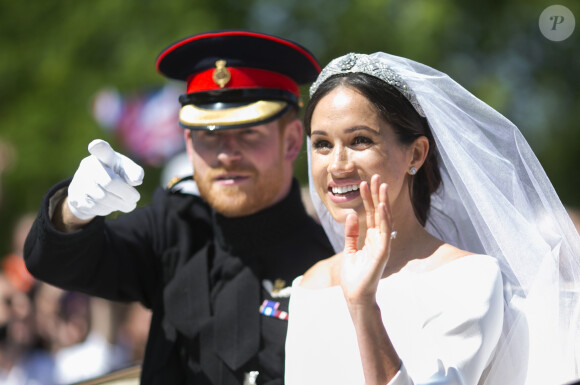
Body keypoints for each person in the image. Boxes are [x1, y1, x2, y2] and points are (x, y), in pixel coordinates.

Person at [24, 30, 334, 385]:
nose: (225, 154)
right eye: (209, 134)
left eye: (249, 133)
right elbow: (55, 263)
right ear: (188, 141)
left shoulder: (328, 258)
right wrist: (73, 212)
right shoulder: (174, 227)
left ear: (292, 141)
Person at [284, 52, 580, 385]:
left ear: (416, 153)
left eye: (360, 140)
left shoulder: (467, 279)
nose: (337, 165)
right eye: (322, 144)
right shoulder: (311, 285)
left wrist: (364, 307)